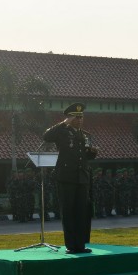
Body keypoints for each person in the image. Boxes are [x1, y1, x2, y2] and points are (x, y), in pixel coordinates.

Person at [43, 103, 97, 254]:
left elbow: (83, 157)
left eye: (81, 117)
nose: (79, 120)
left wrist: (92, 152)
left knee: (81, 211)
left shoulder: (83, 134)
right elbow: (46, 136)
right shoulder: (62, 132)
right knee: (68, 211)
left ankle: (80, 244)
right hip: (66, 177)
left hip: (82, 178)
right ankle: (71, 246)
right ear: (69, 118)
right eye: (75, 117)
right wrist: (64, 123)